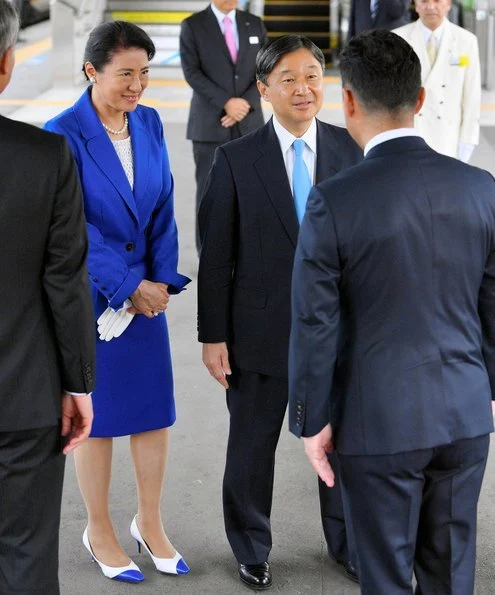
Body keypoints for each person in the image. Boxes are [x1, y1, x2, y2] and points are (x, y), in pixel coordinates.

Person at [289, 29, 495, 594]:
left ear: (347, 100)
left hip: (377, 421)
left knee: (383, 576)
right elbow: (492, 304)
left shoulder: (335, 200)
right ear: (422, 99)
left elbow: (315, 321)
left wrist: (311, 420)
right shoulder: (481, 188)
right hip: (466, 415)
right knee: (452, 576)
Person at [198, 35, 362, 590]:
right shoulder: (236, 159)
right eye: (288, 78)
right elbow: (216, 257)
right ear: (263, 90)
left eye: (313, 75)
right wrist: (213, 336)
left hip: (339, 334)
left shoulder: (351, 150)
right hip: (257, 332)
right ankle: (251, 545)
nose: (303, 88)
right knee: (250, 446)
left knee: (341, 443)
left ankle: (345, 541)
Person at [44, 21, 191, 584]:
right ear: (91, 71)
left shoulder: (149, 123)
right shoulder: (62, 134)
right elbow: (69, 227)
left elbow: (163, 206)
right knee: (98, 420)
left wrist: (158, 282)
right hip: (93, 300)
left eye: (146, 72)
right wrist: (128, 287)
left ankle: (149, 523)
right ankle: (98, 527)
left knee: (154, 413)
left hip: (145, 298)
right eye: (125, 73)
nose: (138, 85)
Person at [0, 2, 95, 593]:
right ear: (6, 64)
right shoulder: (44, 157)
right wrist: (77, 383)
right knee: (27, 556)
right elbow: (65, 282)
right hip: (24, 397)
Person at [179, 0, 267, 252]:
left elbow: (265, 68)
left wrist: (243, 105)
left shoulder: (254, 24)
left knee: (251, 190)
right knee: (211, 191)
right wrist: (226, 103)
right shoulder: (193, 26)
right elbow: (191, 72)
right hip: (210, 124)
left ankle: (247, 249)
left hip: (249, 123)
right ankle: (208, 251)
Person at [394, 0, 481, 161]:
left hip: (448, 139)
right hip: (410, 136)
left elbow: (472, 97)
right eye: (424, 1)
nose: (430, 6)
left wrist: (467, 143)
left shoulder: (466, 41)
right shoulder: (398, 38)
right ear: (416, 4)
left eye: (437, 1)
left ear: (448, 4)